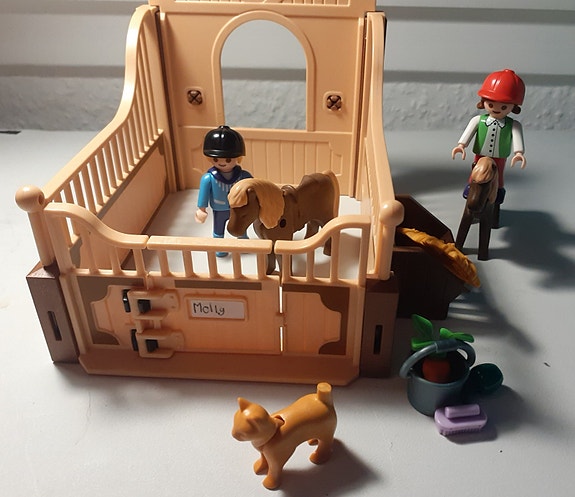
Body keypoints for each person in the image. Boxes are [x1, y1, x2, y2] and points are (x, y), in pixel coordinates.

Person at [452, 69, 526, 216]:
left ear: (514, 107)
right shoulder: (478, 120)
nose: (497, 109)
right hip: (480, 155)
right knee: (476, 173)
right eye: (491, 104)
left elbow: (517, 139)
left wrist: (519, 153)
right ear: (483, 101)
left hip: (499, 157)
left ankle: (498, 193)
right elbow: (468, 133)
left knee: (499, 175)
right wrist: (461, 145)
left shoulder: (513, 125)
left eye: (504, 106)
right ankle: (471, 188)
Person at [195, 125, 252, 256]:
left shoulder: (243, 176)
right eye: (216, 159)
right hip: (219, 209)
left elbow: (253, 190)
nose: (222, 162)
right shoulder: (209, 178)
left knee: (240, 226)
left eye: (228, 159)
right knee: (219, 228)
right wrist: (201, 209)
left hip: (239, 208)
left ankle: (243, 243)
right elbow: (203, 194)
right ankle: (220, 247)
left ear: (238, 158)